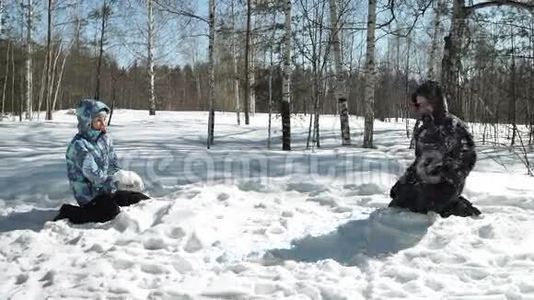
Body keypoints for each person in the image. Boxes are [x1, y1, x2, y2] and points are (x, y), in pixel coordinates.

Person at [389, 81, 481, 217]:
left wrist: (447, 172)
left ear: (436, 102)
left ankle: (458, 206)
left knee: (424, 208)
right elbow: (419, 162)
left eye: (425, 104)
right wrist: (404, 181)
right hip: (423, 182)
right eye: (419, 105)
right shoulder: (422, 131)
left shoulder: (454, 127)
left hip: (447, 184)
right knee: (397, 204)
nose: (422, 108)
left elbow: (469, 158)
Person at [54, 99, 149, 224]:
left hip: (106, 190)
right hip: (88, 197)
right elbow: (93, 173)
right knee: (110, 212)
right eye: (98, 120)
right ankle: (69, 211)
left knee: (141, 200)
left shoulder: (105, 139)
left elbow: (113, 166)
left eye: (104, 119)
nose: (103, 124)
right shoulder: (78, 146)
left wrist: (126, 178)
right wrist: (115, 180)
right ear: (87, 121)